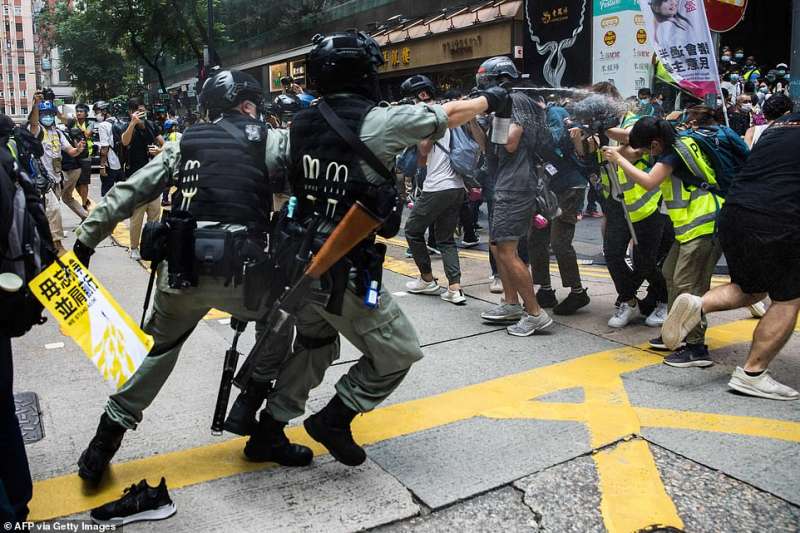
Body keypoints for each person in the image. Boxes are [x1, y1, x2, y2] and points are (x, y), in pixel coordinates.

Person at [243, 31, 510, 465]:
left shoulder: (299, 124)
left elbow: (269, 170)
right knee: (399, 351)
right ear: (362, 71)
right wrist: (489, 99)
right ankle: (335, 417)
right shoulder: (378, 121)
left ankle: (268, 432)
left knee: (315, 347)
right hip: (342, 263)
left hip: (295, 260)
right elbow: (448, 113)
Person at [73, 69, 303, 488]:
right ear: (249, 105)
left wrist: (86, 241)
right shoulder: (270, 140)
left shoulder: (183, 144)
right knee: (283, 322)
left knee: (155, 355)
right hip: (246, 279)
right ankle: (254, 405)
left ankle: (103, 443)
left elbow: (129, 191)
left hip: (181, 274)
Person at [661, 108, 800, 400]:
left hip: (734, 212)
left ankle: (697, 304)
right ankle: (752, 373)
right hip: (776, 218)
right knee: (788, 297)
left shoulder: (777, 128)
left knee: (750, 288)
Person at [603, 117, 723, 367]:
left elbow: (648, 182)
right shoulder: (673, 138)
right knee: (670, 274)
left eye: (647, 149)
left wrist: (619, 159)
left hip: (703, 223)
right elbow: (626, 134)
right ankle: (676, 332)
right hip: (689, 227)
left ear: (656, 143)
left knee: (689, 286)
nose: (645, 153)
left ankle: (696, 347)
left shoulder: (672, 155)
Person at [475, 56, 552, 336]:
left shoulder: (517, 100)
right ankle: (510, 303)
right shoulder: (508, 101)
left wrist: (492, 117)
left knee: (507, 250)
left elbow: (510, 143)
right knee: (498, 246)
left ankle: (535, 314)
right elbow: (489, 148)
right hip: (504, 182)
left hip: (515, 184)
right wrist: (475, 121)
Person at [403, 75, 468, 305]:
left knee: (412, 230)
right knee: (445, 238)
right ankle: (455, 288)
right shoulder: (452, 113)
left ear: (422, 95)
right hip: (457, 185)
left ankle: (427, 279)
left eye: (413, 99)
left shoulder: (429, 116)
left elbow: (423, 150)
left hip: (437, 186)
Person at [528, 101, 590, 316]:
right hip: (546, 188)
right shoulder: (534, 118)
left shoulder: (553, 113)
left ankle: (577, 291)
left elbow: (553, 140)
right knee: (536, 238)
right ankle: (545, 289)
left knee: (559, 242)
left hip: (569, 187)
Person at [28, 96, 86, 256]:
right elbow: (33, 122)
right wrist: (35, 105)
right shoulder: (38, 131)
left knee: (49, 213)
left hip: (56, 180)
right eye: (43, 114)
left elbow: (71, 151)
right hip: (43, 181)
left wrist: (79, 149)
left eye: (49, 114)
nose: (46, 116)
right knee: (53, 211)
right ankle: (57, 246)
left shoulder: (58, 133)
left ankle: (43, 244)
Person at [122, 98, 164, 261]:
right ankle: (134, 248)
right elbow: (125, 142)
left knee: (154, 214)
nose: (142, 113)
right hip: (137, 179)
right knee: (137, 216)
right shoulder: (127, 126)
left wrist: (159, 151)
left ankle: (152, 246)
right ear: (131, 112)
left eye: (143, 110)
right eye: (138, 111)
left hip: (154, 177)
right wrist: (133, 123)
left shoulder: (152, 125)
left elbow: (164, 144)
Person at [93, 101, 124, 196]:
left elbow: (104, 148)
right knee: (122, 194)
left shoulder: (103, 125)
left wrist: (102, 166)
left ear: (104, 111)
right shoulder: (120, 122)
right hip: (122, 163)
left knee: (107, 196)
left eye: (97, 112)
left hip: (110, 165)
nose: (96, 115)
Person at [72, 103, 94, 212]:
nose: (78, 113)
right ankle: (85, 200)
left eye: (81, 111)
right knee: (75, 184)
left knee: (84, 182)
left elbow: (87, 134)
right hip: (73, 156)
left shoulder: (90, 123)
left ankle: (84, 204)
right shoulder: (72, 124)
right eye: (77, 111)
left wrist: (76, 126)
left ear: (86, 114)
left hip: (85, 157)